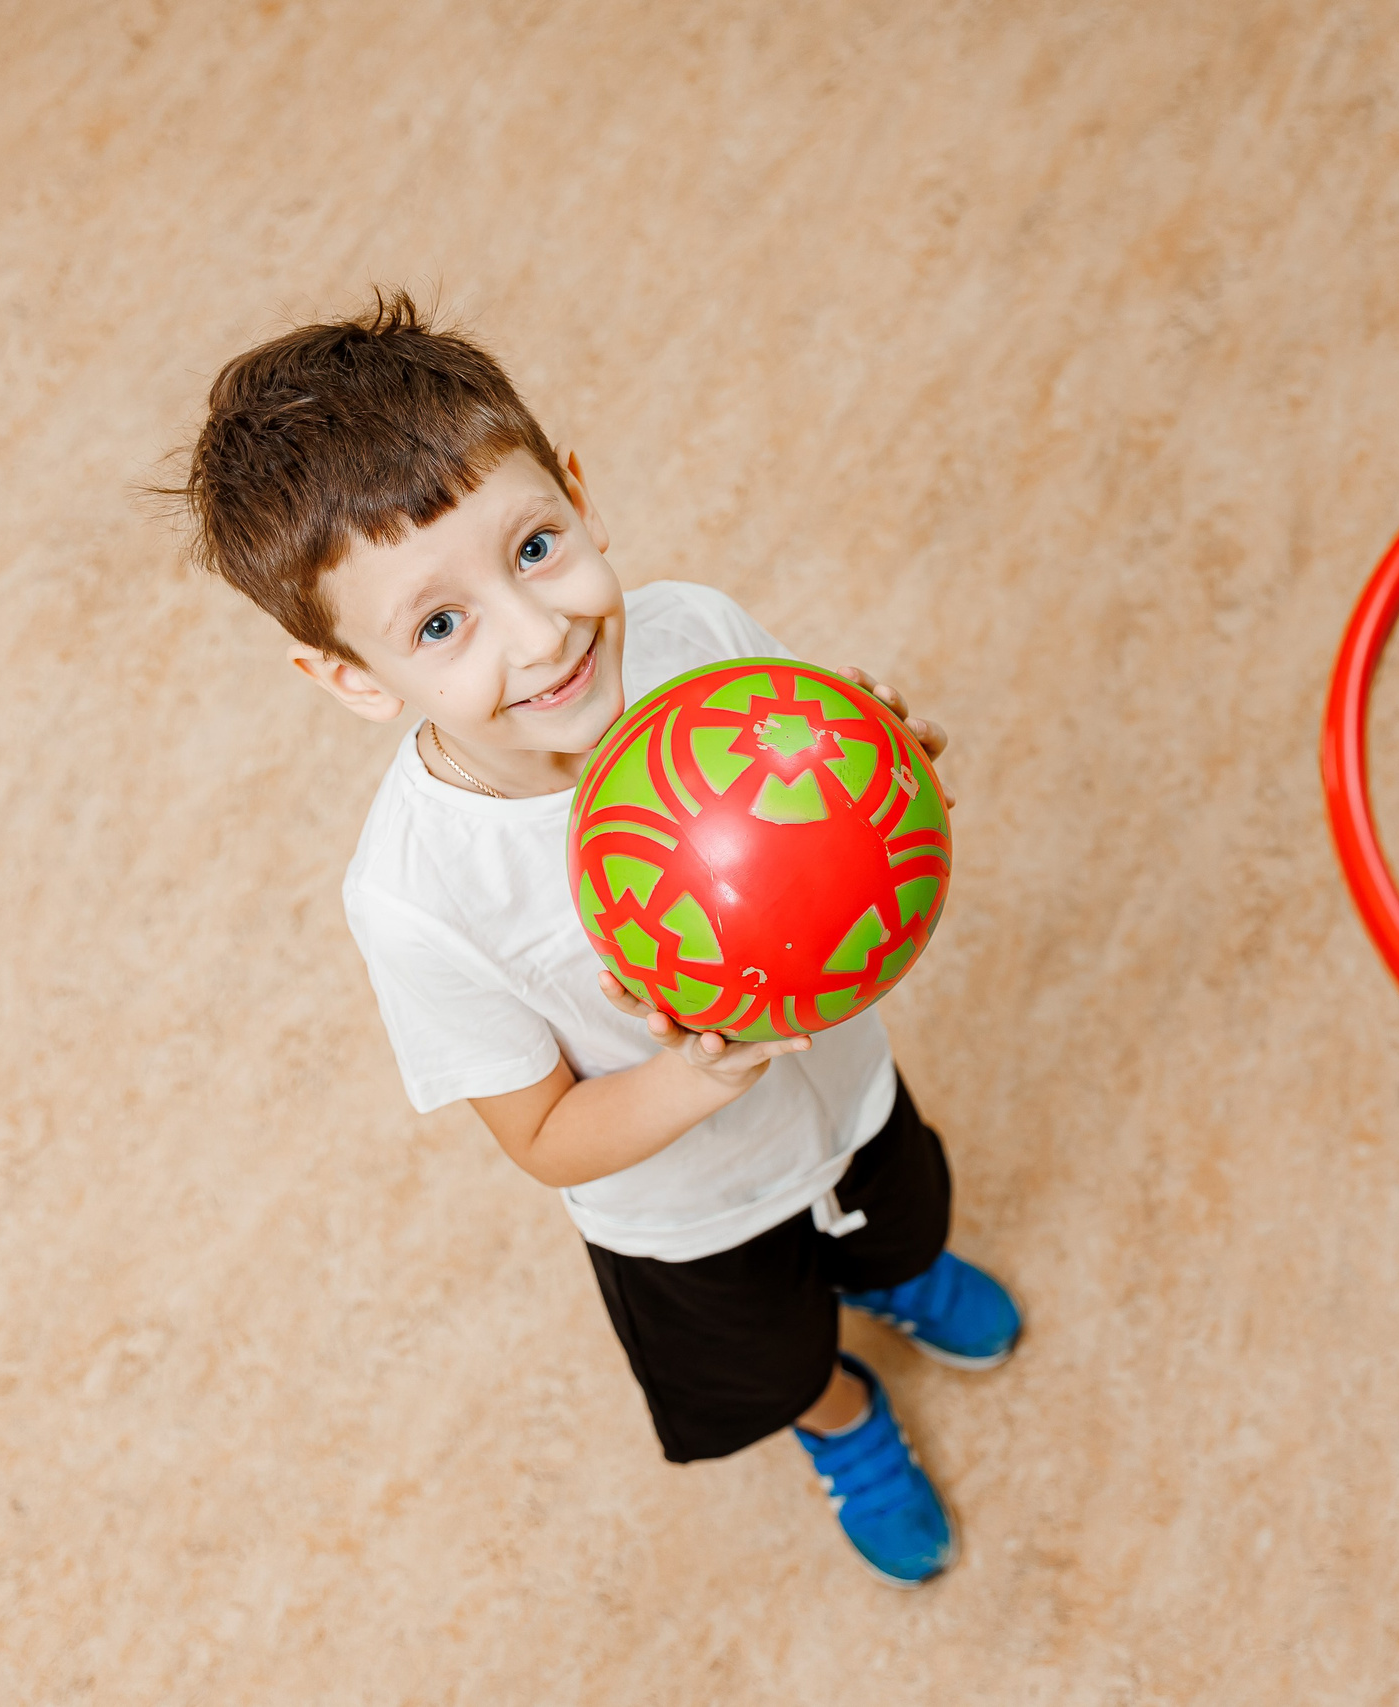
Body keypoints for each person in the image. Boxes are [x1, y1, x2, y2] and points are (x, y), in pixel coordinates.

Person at [167, 290, 1016, 1587]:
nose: (540, 632)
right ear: (352, 678)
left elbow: (835, 787)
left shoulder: (699, 638)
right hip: (687, 1216)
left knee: (900, 1216)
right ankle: (842, 1420)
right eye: (437, 626)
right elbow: (547, 1137)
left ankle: (894, 1278)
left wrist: (878, 780)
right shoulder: (417, 896)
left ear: (579, 494)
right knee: (770, 1359)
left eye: (536, 547)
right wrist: (704, 1071)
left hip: (844, 1093)